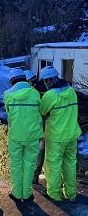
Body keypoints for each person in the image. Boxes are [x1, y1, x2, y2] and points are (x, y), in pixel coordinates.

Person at [40, 66, 81, 201]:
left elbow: (42, 111)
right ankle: (71, 194)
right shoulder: (71, 91)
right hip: (72, 135)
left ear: (47, 81)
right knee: (70, 164)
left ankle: (54, 194)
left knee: (54, 166)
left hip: (56, 137)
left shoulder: (51, 95)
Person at [4, 69, 43, 202]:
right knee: (29, 165)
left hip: (15, 135)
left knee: (16, 165)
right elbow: (40, 111)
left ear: (12, 80)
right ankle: (27, 194)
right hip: (32, 136)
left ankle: (16, 193)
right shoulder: (35, 93)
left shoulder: (7, 94)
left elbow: (8, 112)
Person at [25, 70, 46, 184]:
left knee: (38, 151)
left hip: (39, 126)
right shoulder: (46, 89)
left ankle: (34, 177)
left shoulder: (34, 92)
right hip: (51, 125)